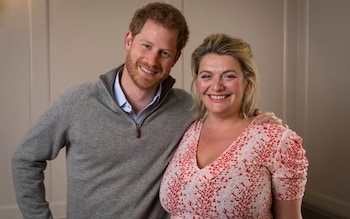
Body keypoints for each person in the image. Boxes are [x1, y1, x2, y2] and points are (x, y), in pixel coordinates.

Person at [12, 3, 281, 219]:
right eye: (147, 46)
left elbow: (223, 115)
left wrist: (254, 120)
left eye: (164, 52)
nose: (152, 60)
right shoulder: (75, 102)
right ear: (129, 40)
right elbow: (25, 159)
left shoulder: (186, 109)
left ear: (175, 58)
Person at [159, 33, 309, 219]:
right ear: (197, 80)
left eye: (229, 76)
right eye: (207, 76)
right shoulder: (186, 128)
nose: (216, 86)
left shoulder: (276, 141)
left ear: (247, 81)